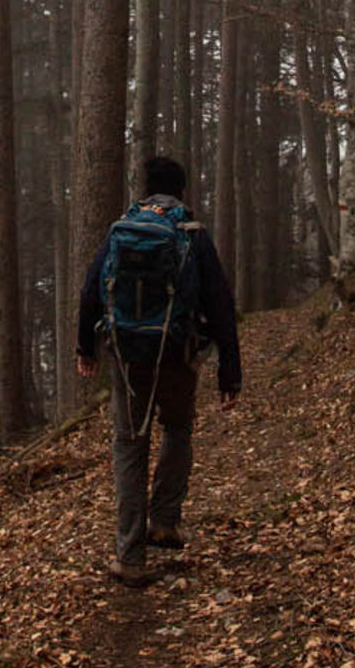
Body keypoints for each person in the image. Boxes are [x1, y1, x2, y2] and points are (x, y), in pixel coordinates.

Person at [76, 156, 241, 587]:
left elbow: (91, 290)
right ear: (181, 191)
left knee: (130, 446)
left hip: (128, 355)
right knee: (178, 430)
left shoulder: (121, 230)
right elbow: (221, 305)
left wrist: (85, 348)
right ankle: (164, 521)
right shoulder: (191, 233)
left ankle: (130, 556)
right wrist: (230, 373)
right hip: (177, 353)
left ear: (145, 189)